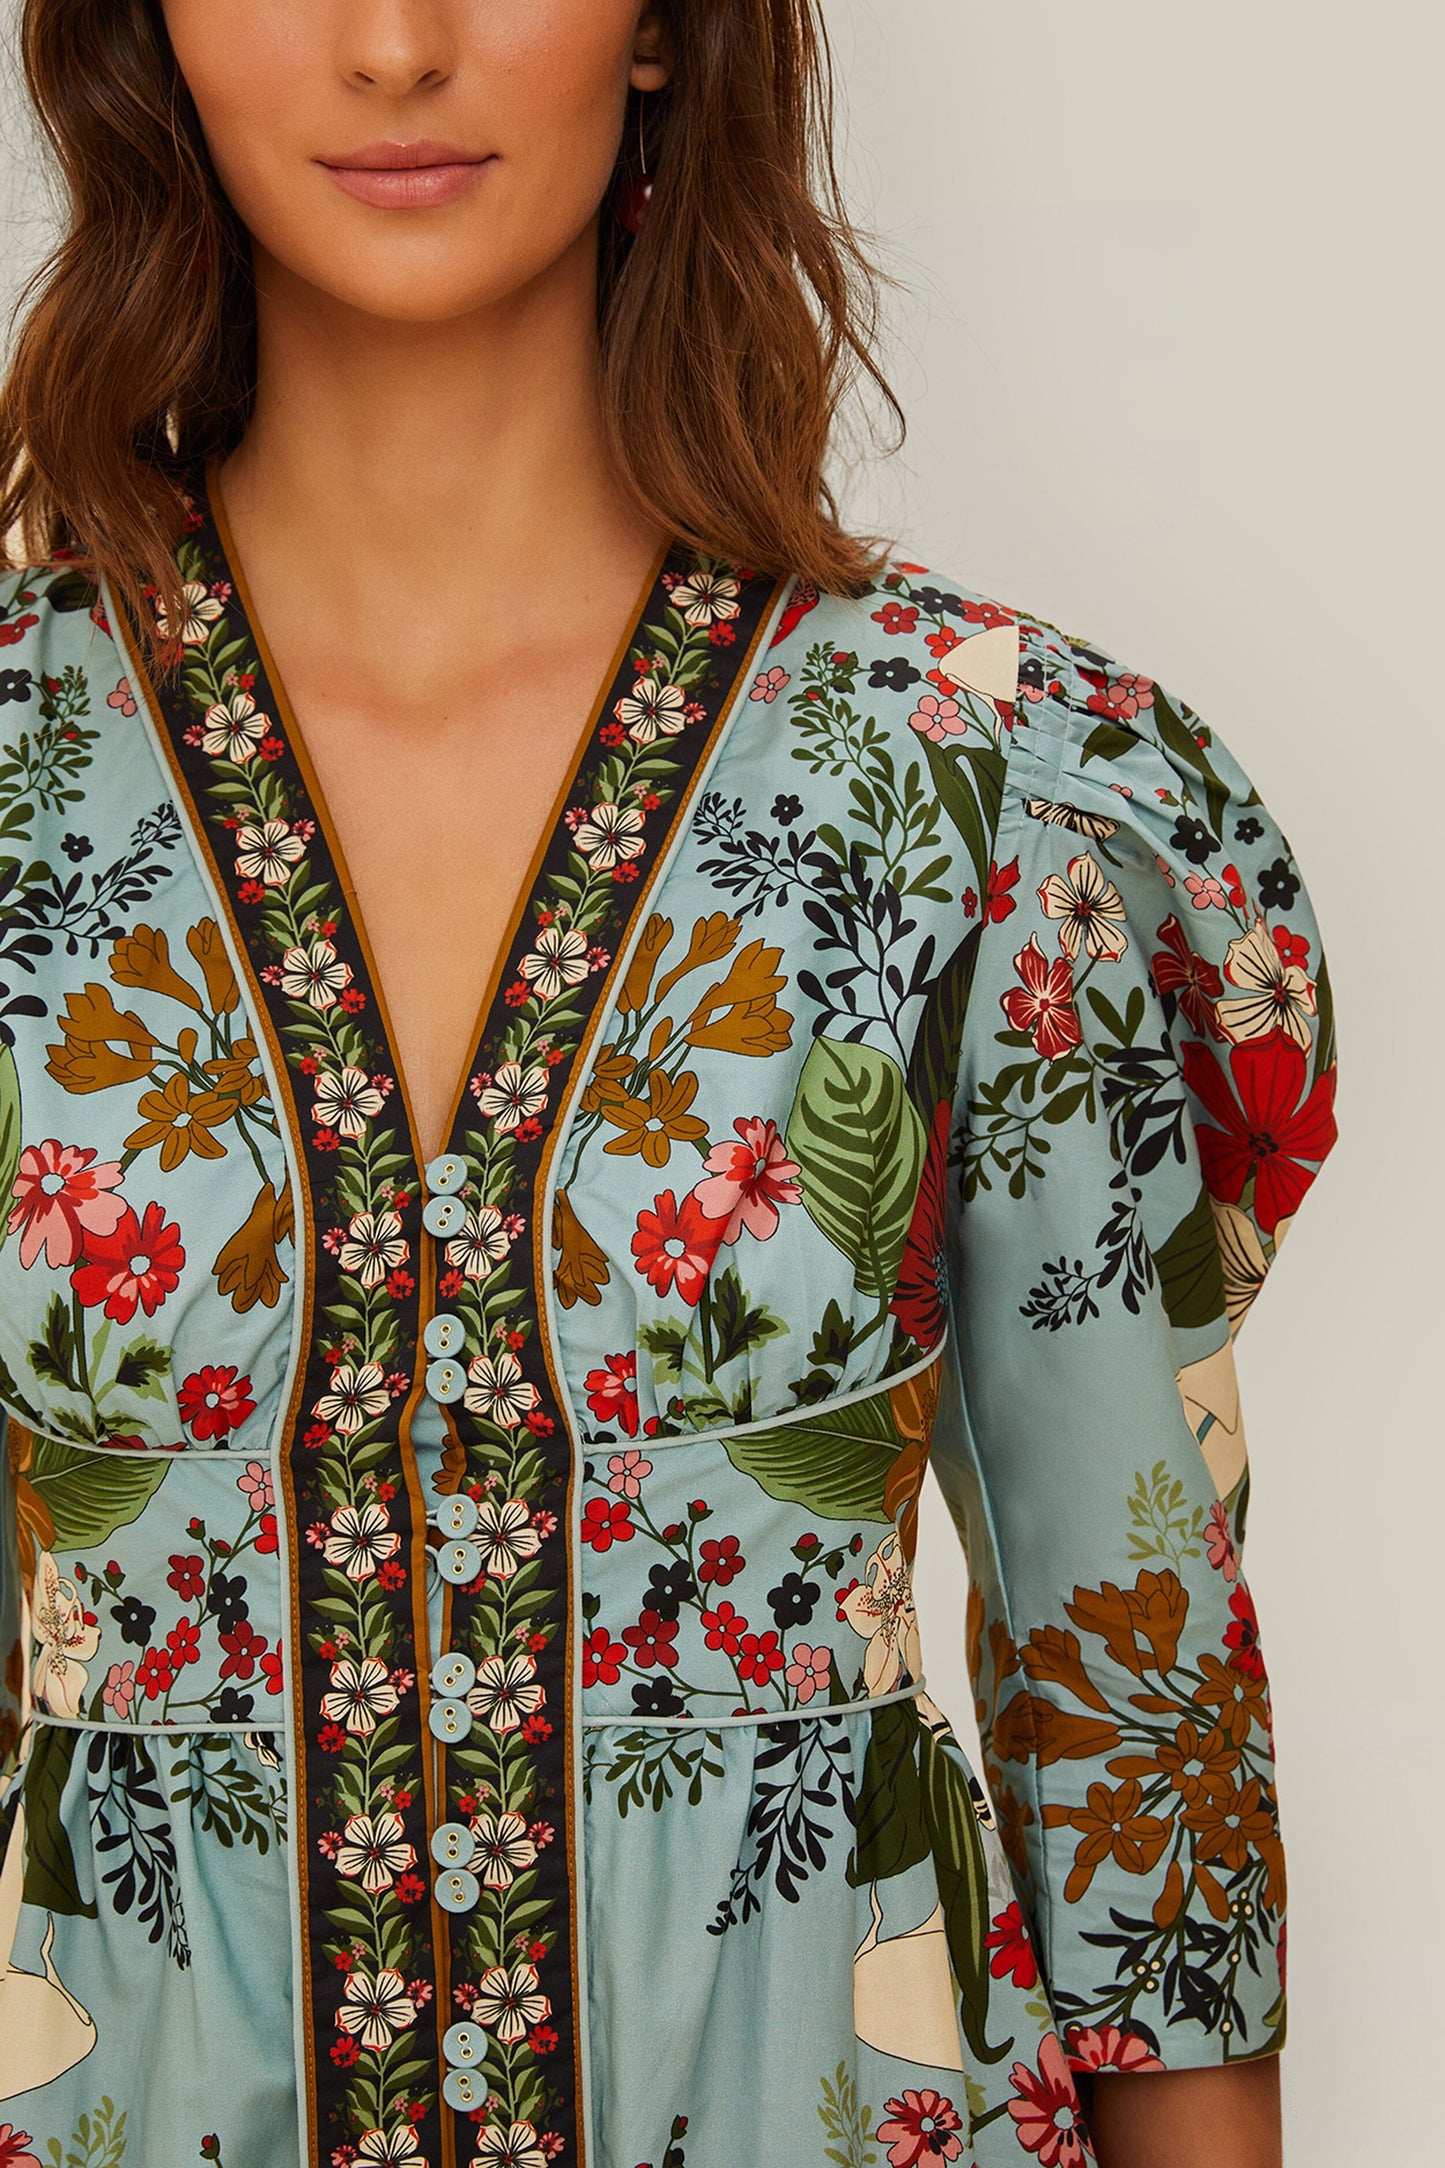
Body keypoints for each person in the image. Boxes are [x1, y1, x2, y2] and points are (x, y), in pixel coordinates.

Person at [0, 5, 1336, 2166]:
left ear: (658, 27)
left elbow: (1136, 1716)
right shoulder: (16, 792)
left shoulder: (984, 785)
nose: (395, 45)